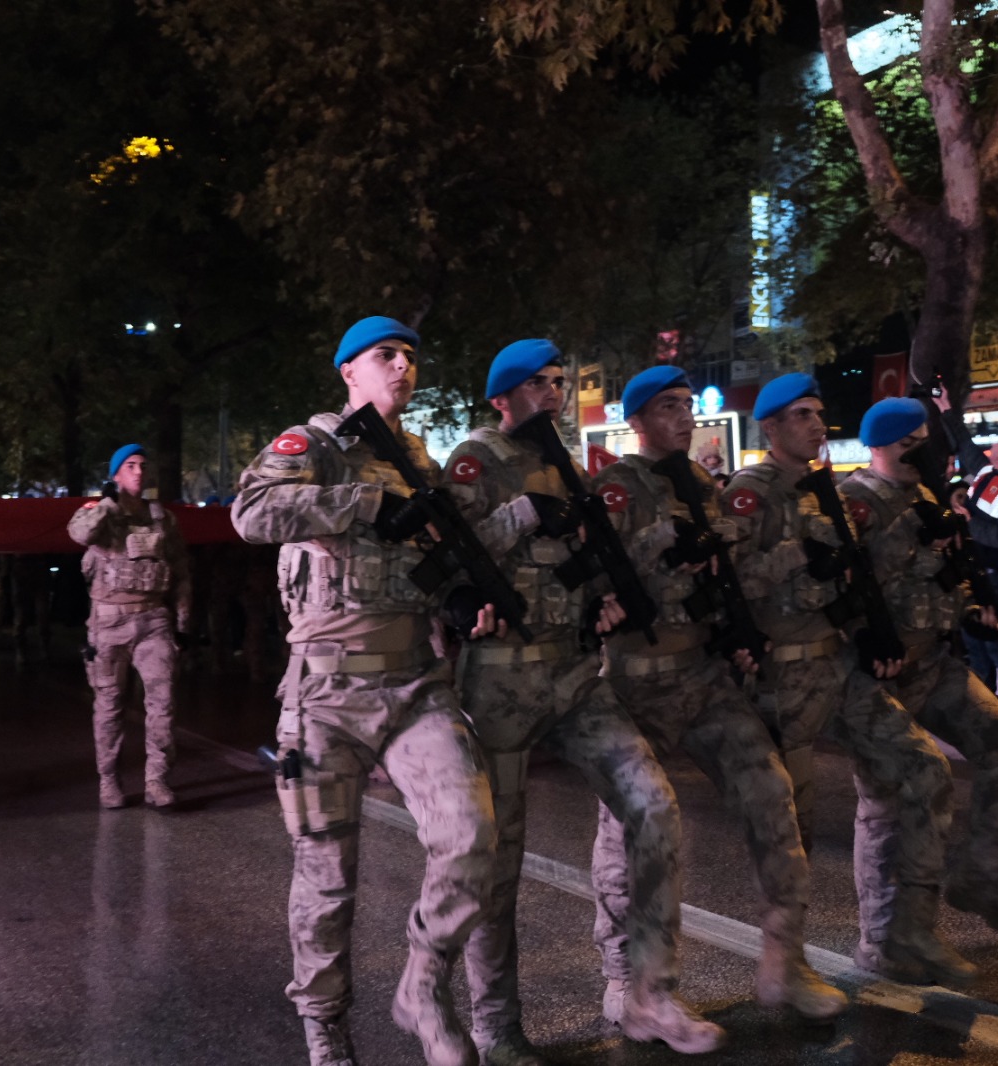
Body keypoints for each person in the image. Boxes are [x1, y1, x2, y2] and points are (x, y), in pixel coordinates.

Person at [230, 315, 498, 1066]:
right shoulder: (314, 445)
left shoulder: (416, 457)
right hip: (325, 692)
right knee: (327, 882)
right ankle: (326, 1033)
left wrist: (461, 597)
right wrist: (360, 504)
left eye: (412, 355)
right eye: (387, 355)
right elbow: (250, 514)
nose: (403, 366)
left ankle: (422, 985)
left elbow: (432, 558)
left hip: (415, 683)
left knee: (472, 834)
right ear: (348, 369)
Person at [443, 340, 720, 1060]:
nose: (554, 393)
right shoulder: (474, 461)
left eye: (561, 382)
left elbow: (585, 565)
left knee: (654, 805)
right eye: (538, 383)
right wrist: (521, 517)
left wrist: (603, 602)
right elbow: (451, 560)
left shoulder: (568, 471)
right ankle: (496, 1025)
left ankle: (646, 992)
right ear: (502, 396)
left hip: (575, 677)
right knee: (498, 863)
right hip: (502, 682)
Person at [589, 366, 848, 1025]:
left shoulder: (706, 485)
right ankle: (628, 982)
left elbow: (733, 576)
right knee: (629, 834)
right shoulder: (615, 487)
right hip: (635, 682)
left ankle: (784, 964)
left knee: (773, 801)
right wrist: (663, 549)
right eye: (668, 407)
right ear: (639, 421)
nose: (683, 416)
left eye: (687, 405)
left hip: (705, 678)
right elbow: (595, 577)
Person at [723, 376, 971, 988]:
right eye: (802, 414)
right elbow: (733, 583)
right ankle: (788, 964)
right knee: (792, 826)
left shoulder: (824, 493)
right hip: (783, 675)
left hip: (838, 666)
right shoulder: (746, 493)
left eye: (819, 412)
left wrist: (873, 634)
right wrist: (799, 557)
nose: (816, 423)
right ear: (771, 428)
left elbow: (854, 579)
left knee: (923, 769)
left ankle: (906, 931)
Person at [842, 398, 998, 946]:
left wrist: (975, 606)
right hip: (877, 674)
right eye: (910, 443)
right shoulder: (853, 503)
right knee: (886, 803)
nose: (921, 453)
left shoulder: (927, 496)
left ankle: (977, 879)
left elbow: (950, 573)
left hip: (933, 660)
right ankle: (882, 940)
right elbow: (847, 589)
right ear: (880, 445)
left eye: (924, 442)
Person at [66, 444, 192, 809]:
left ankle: (157, 781)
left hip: (154, 621)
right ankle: (108, 781)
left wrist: (182, 623)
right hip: (109, 625)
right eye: (130, 466)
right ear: (116, 473)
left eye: (143, 466)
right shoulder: (100, 513)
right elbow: (79, 535)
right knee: (109, 706)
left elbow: (181, 572)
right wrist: (107, 503)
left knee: (163, 704)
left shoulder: (162, 519)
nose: (139, 472)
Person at [934, 397, 998, 725]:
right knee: (973, 643)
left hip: (993, 576)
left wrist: (968, 521)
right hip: (969, 569)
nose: (994, 443)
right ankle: (982, 704)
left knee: (994, 642)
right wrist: (945, 406)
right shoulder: (987, 471)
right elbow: (963, 442)